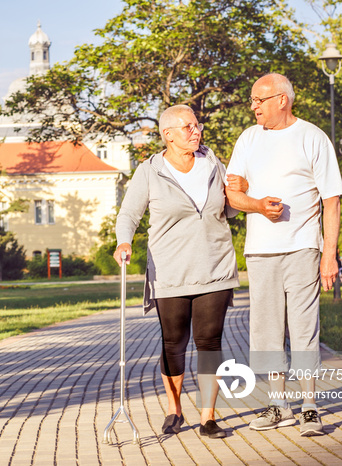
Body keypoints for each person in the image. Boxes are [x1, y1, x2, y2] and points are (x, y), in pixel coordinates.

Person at [114, 104, 244, 439]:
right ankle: (174, 410)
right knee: (174, 342)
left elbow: (231, 208)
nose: (196, 131)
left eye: (197, 125)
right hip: (169, 270)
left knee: (209, 341)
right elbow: (129, 213)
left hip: (215, 265)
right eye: (187, 127)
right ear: (168, 134)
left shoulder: (214, 163)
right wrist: (123, 242)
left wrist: (243, 192)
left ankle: (208, 417)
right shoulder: (149, 171)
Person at [225, 73, 342, 437]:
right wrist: (258, 206)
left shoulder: (312, 137)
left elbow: (332, 199)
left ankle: (309, 407)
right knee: (266, 330)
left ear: (282, 100)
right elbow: (233, 195)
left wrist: (329, 254)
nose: (253, 107)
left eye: (259, 100)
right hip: (260, 251)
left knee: (304, 327)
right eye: (251, 100)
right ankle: (279, 406)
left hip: (302, 247)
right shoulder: (248, 139)